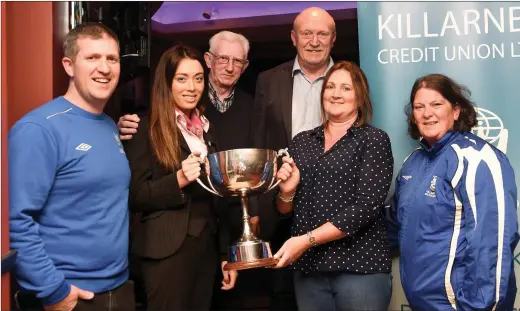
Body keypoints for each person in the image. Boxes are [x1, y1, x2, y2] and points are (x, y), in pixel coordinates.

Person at [9, 23, 135, 311]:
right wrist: (54, 291)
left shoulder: (108, 126)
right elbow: (15, 220)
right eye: (92, 58)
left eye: (112, 59)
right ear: (69, 65)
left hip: (119, 288)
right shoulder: (38, 128)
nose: (104, 68)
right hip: (70, 295)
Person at [387, 73, 519, 311]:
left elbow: (492, 244)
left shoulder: (477, 159)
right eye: (419, 107)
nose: (427, 113)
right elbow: (393, 225)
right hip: (423, 304)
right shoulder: (413, 163)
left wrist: (478, 307)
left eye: (436, 104)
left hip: (463, 306)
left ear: (456, 111)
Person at [122, 44, 238, 311]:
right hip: (165, 250)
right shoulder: (144, 128)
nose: (192, 87)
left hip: (206, 249)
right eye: (182, 78)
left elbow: (218, 200)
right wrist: (179, 180)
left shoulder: (207, 130)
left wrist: (224, 255)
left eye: (198, 79)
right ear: (167, 83)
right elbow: (135, 195)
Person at [273, 61, 394, 311]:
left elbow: (366, 207)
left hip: (359, 268)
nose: (336, 94)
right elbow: (285, 210)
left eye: (346, 88)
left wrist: (305, 241)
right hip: (309, 272)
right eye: (330, 87)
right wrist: (287, 191)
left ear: (360, 97)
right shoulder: (302, 142)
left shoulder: (373, 140)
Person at [249, 6, 336, 309]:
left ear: (333, 39)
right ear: (293, 38)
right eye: (306, 33)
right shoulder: (269, 80)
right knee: (283, 289)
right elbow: (258, 144)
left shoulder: (348, 79)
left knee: (329, 284)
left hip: (332, 202)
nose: (314, 40)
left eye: (322, 33)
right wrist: (257, 207)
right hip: (280, 199)